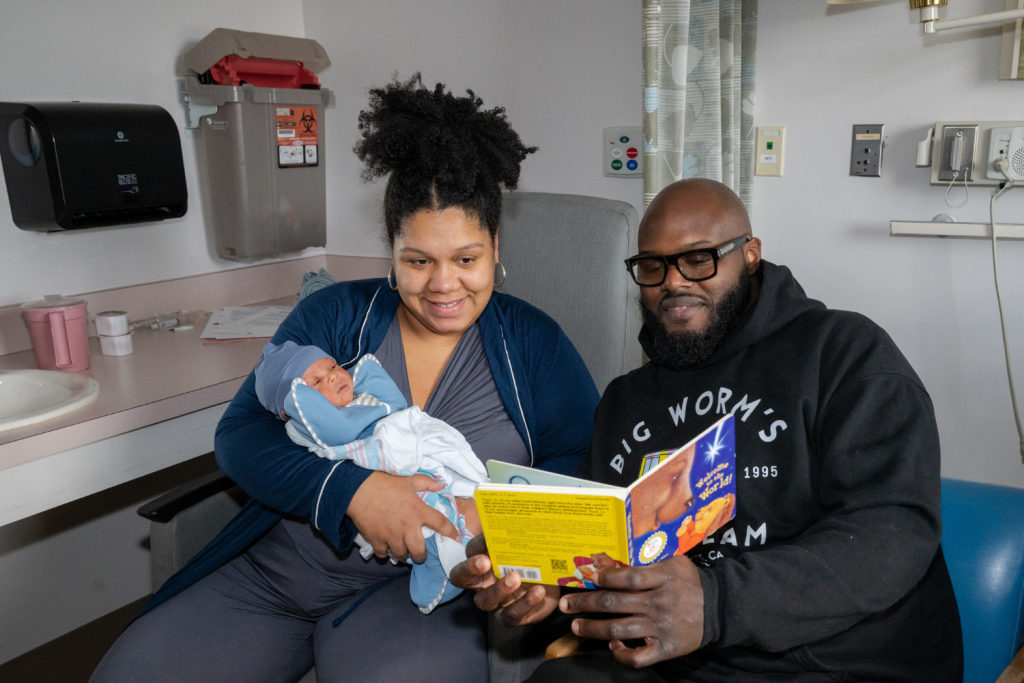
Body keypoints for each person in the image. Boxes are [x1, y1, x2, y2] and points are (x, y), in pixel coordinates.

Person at [91, 74, 599, 683]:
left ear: (495, 246)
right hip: (279, 569)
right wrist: (353, 492)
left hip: (415, 597)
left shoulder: (532, 343)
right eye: (418, 260)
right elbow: (241, 434)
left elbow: (580, 461)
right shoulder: (334, 315)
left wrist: (503, 525)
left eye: (466, 259)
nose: (444, 285)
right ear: (391, 252)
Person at [452, 178, 963, 682]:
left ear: (750, 255)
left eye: (699, 259)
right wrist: (542, 585)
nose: (673, 282)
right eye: (652, 266)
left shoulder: (844, 353)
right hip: (678, 665)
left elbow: (893, 531)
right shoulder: (626, 400)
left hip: (837, 663)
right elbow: (600, 554)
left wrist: (718, 602)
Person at [253, 340, 486, 613]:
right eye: (315, 382)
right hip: (383, 483)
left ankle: (465, 537)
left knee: (450, 496)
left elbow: (395, 405)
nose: (332, 376)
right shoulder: (305, 426)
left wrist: (360, 375)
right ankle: (440, 565)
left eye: (333, 366)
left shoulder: (360, 400)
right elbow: (337, 432)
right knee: (422, 522)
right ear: (294, 405)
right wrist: (299, 400)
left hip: (413, 465)